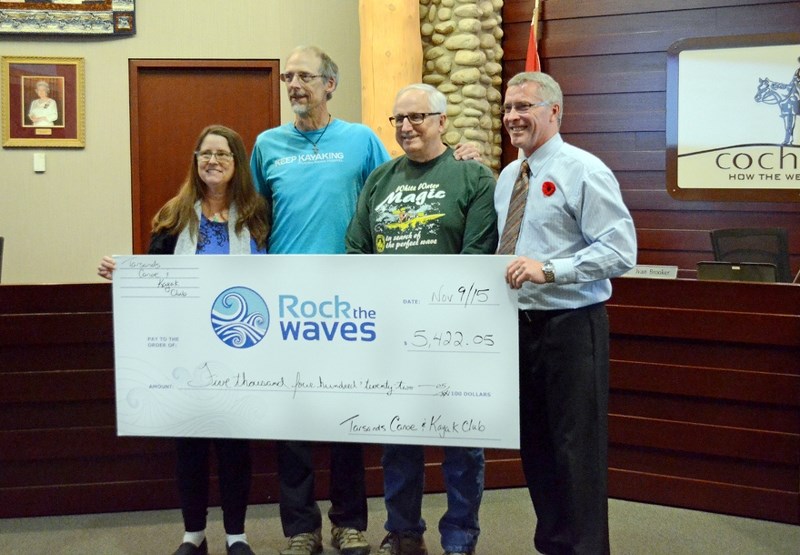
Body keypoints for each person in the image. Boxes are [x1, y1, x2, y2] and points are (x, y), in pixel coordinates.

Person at [249, 46, 481, 555]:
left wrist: (461, 150)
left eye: (305, 76)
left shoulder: (361, 141)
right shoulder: (267, 145)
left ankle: (350, 523)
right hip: (290, 305)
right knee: (293, 424)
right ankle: (300, 529)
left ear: (330, 84)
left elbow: (413, 170)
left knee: (348, 420)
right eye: (288, 76)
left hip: (355, 305)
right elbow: (255, 217)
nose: (294, 85)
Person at [98, 124, 269, 555]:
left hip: (239, 347)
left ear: (237, 164)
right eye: (205, 154)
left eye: (222, 154)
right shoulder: (175, 214)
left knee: (234, 445)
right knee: (189, 444)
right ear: (196, 161)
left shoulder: (256, 215)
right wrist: (124, 275)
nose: (212, 161)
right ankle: (193, 533)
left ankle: (237, 534)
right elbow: (153, 277)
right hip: (184, 350)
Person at [345, 83, 498, 555]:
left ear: (442, 122)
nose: (406, 127)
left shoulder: (473, 177)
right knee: (398, 443)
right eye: (398, 120)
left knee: (462, 446)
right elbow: (356, 249)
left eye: (417, 117)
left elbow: (477, 256)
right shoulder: (381, 179)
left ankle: (459, 537)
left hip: (456, 336)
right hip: (392, 337)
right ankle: (404, 532)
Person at [496, 71, 637, 555]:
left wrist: (550, 270)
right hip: (520, 328)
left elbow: (621, 250)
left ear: (554, 112)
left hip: (573, 328)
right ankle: (553, 545)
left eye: (525, 107)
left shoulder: (584, 170)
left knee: (577, 453)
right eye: (508, 107)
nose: (513, 116)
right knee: (536, 449)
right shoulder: (508, 176)